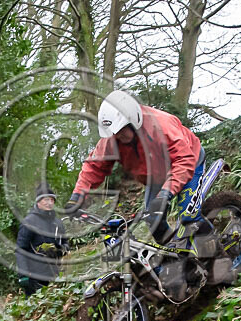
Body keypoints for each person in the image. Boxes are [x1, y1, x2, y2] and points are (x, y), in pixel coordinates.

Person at [64, 90, 206, 244]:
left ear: (133, 121)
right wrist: (76, 197)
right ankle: (174, 259)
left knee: (189, 217)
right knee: (153, 219)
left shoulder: (161, 126)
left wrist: (166, 194)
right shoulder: (112, 139)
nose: (118, 136)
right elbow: (93, 167)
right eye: (114, 133)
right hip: (157, 177)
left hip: (189, 163)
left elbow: (184, 159)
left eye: (121, 131)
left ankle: (220, 257)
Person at [16, 183, 69, 296]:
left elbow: (65, 243)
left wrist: (61, 249)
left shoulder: (58, 223)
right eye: (46, 199)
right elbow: (21, 249)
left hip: (56, 274)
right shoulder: (29, 222)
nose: (49, 203)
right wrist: (23, 274)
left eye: (51, 200)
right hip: (34, 276)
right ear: (38, 202)